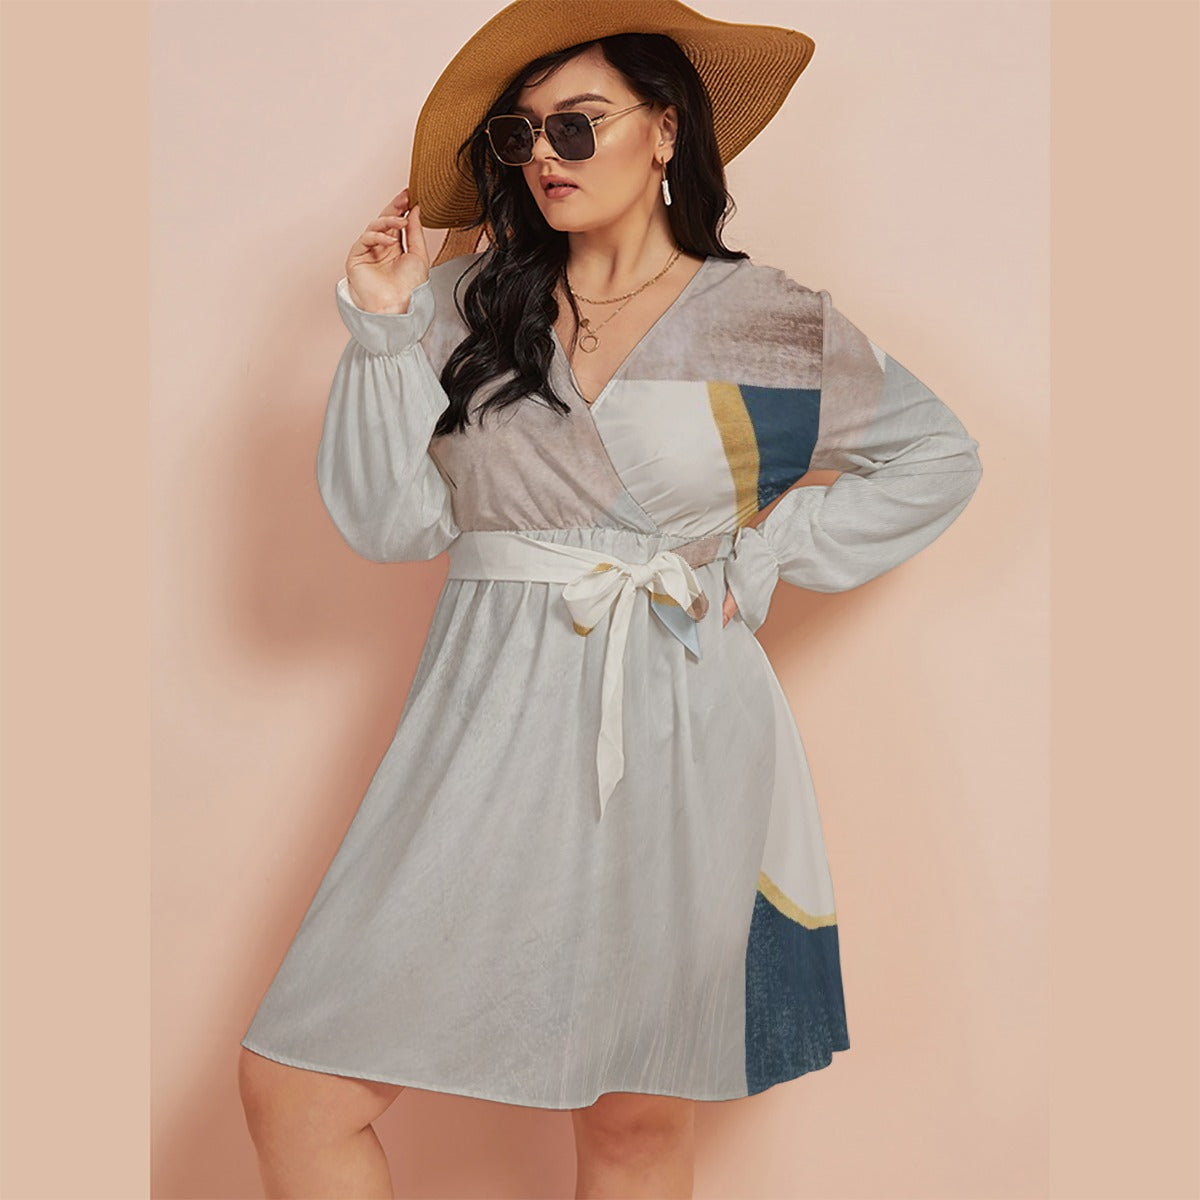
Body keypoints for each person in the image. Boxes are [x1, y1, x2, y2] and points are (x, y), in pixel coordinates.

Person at [237, 2, 983, 1197]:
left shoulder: (769, 323)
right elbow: (388, 523)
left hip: (683, 722)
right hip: (479, 724)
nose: (543, 155)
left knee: (633, 1123)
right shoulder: (460, 305)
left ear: (665, 129)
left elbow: (935, 455)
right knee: (296, 1087)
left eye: (576, 126)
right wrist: (379, 329)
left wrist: (770, 550)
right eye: (521, 133)